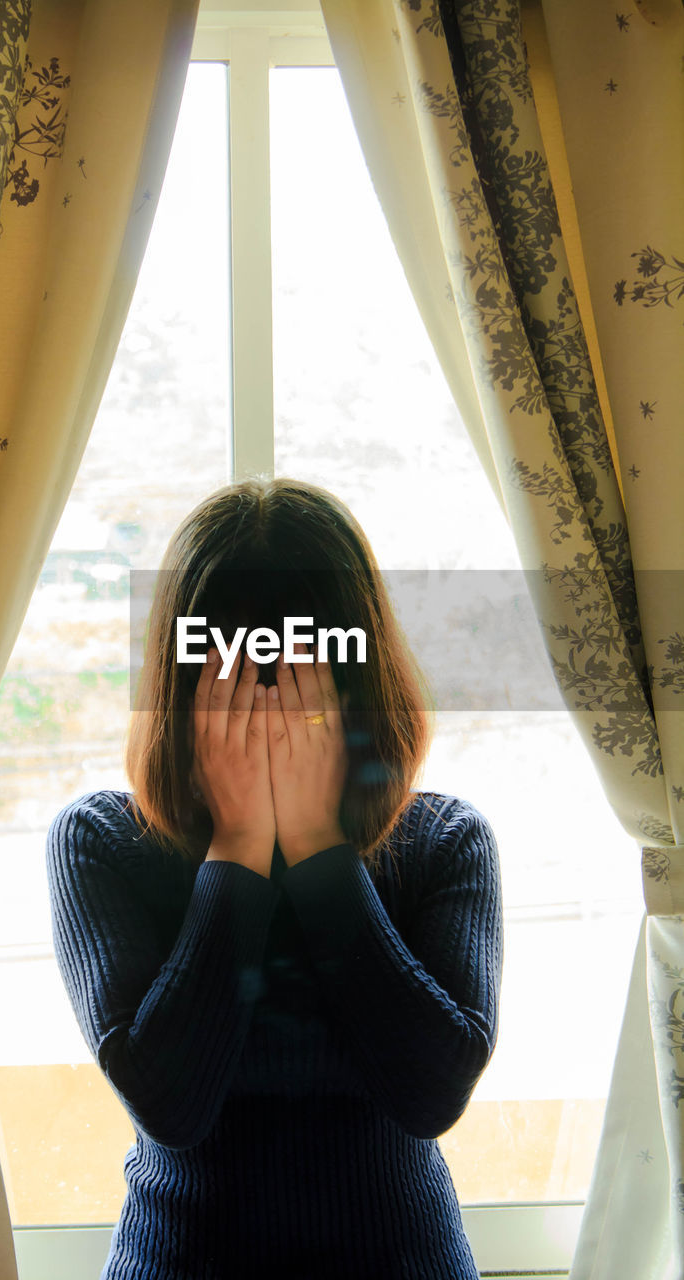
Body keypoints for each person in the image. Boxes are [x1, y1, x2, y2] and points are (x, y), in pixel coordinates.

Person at [46, 476, 504, 1280]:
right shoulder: (102, 842)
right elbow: (170, 1107)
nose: (267, 714)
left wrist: (319, 849)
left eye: (296, 677)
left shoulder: (443, 842)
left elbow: (432, 1096)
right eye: (236, 677)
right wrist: (241, 843)